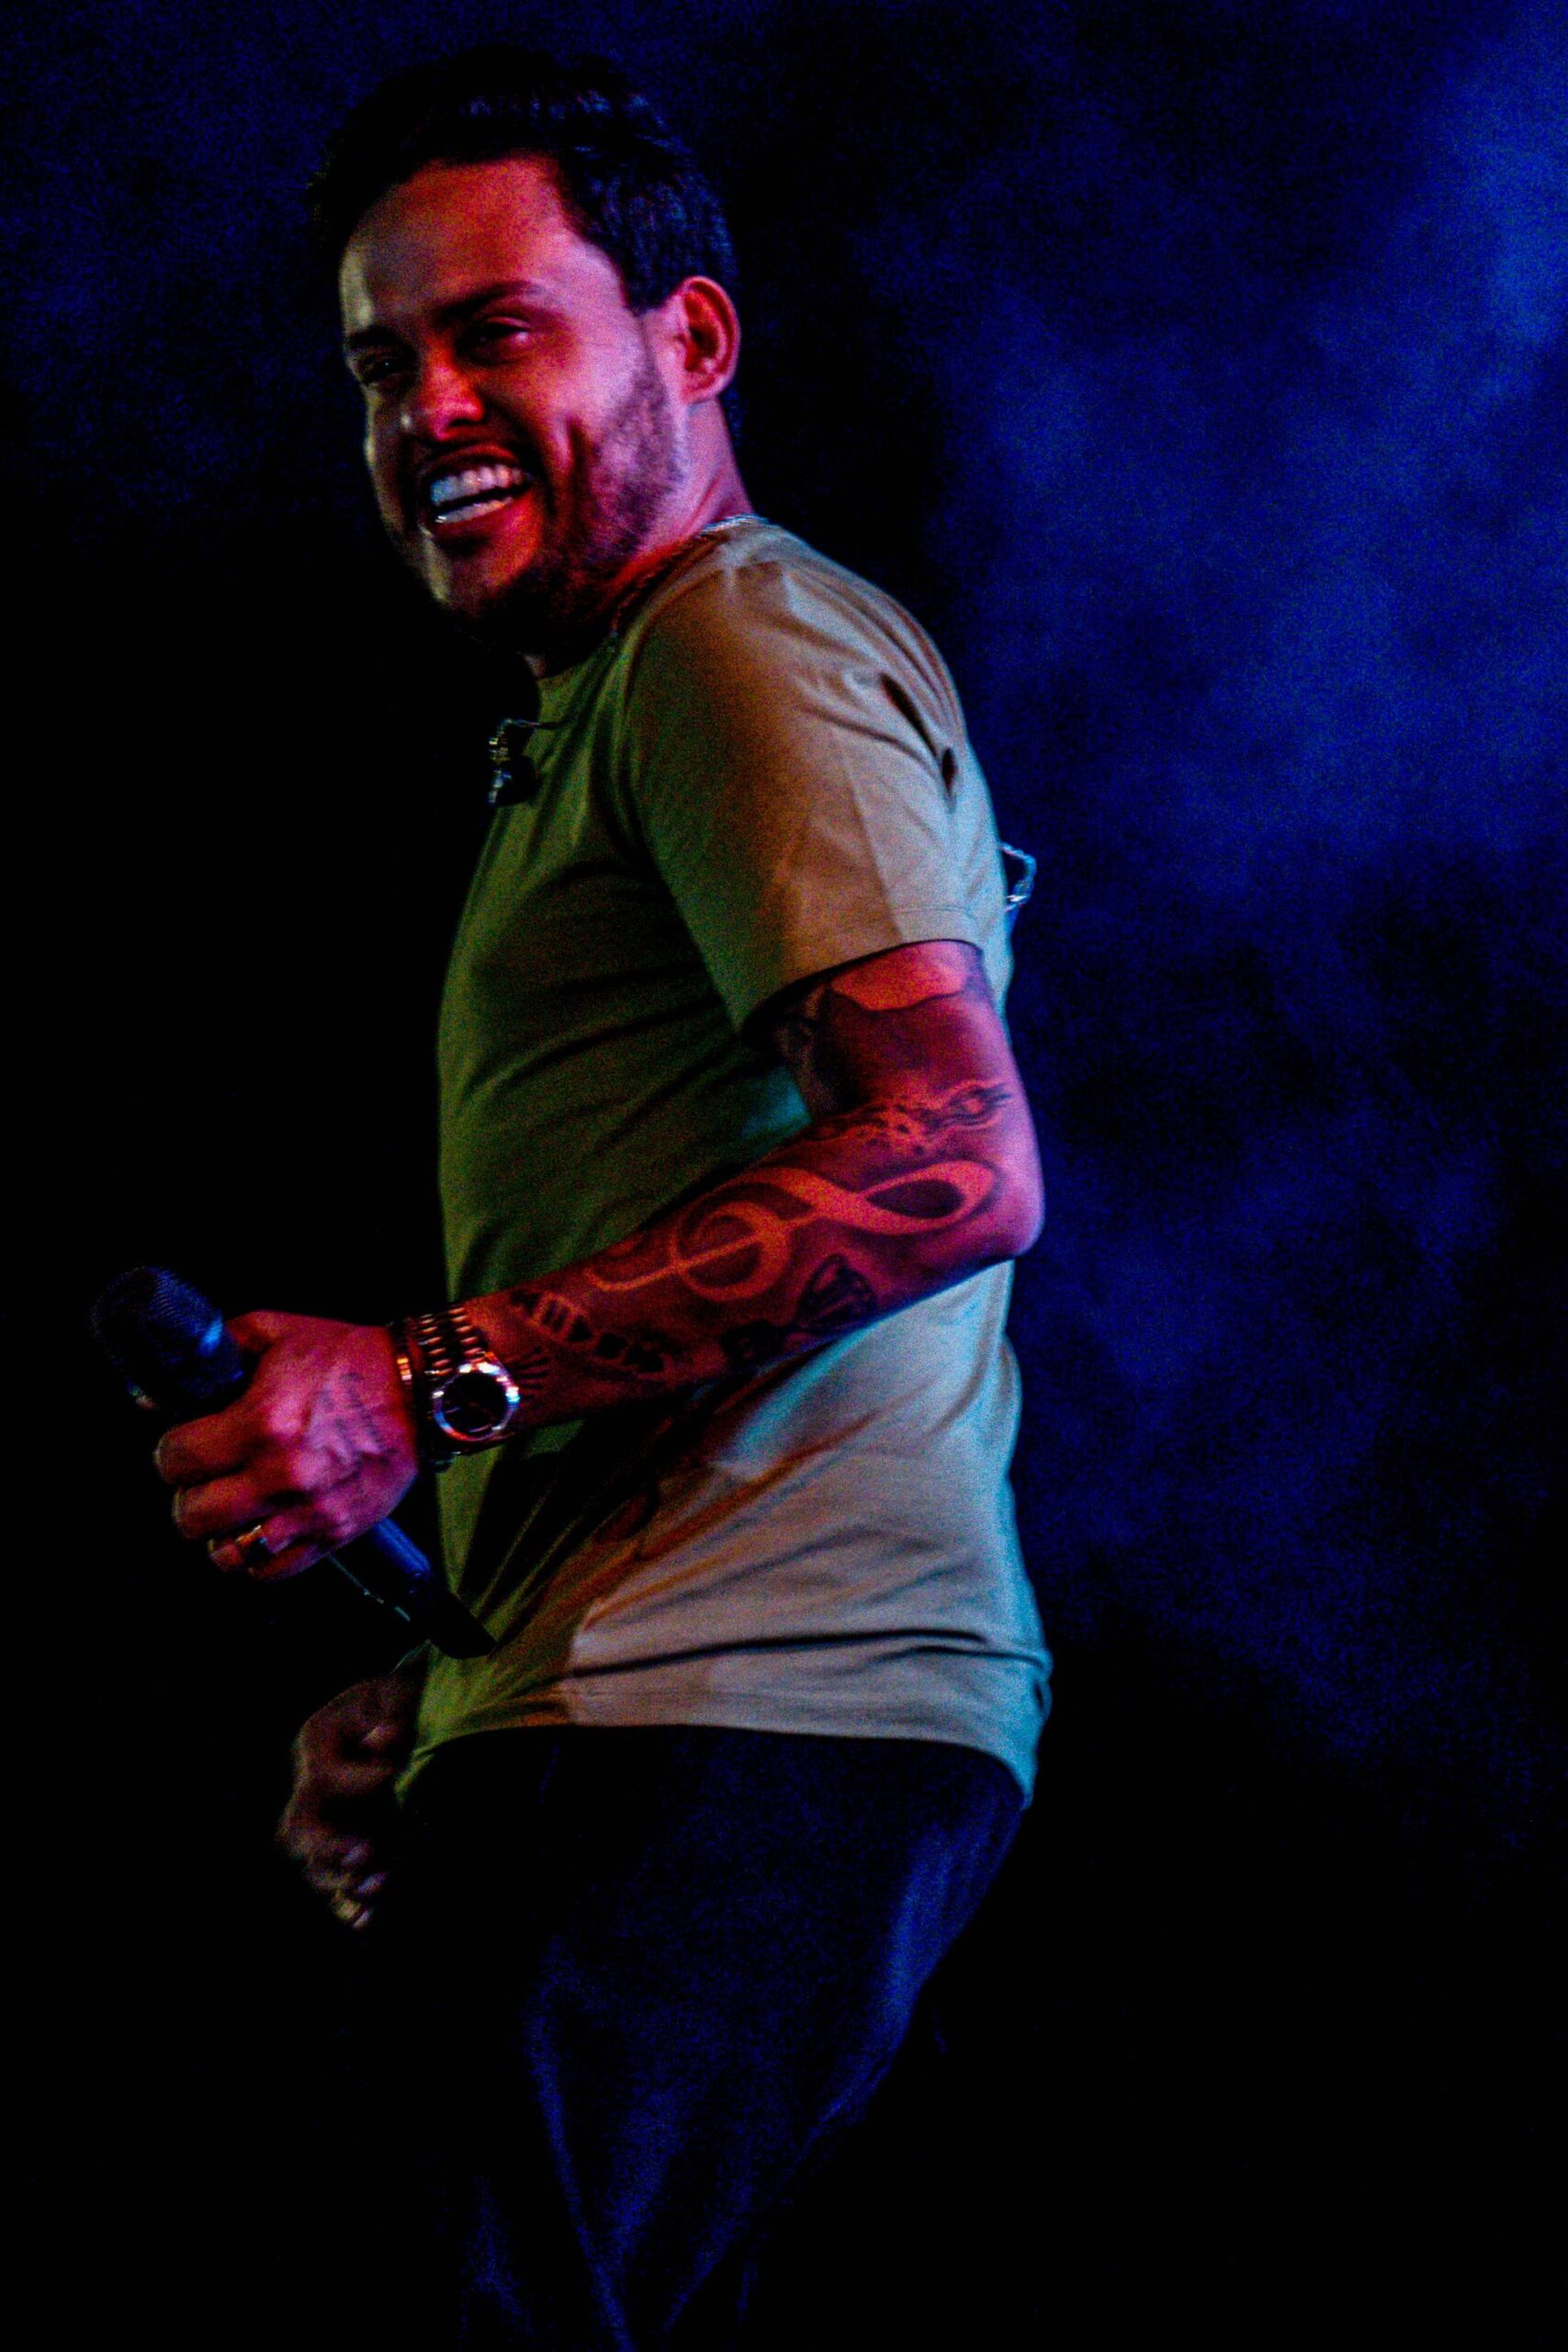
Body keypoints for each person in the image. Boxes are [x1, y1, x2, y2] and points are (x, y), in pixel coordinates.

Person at [152, 47, 1052, 2347]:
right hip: (662, 1716)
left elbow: (955, 1156)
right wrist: (445, 1678)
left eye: (494, 332)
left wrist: (415, 1385)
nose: (430, 410)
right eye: (383, 366)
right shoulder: (608, 699)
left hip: (748, 1720)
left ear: (692, 336)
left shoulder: (731, 642)